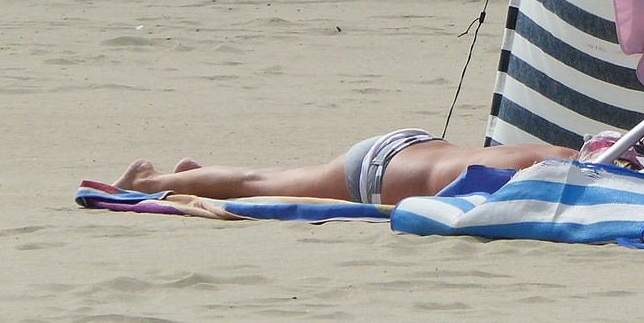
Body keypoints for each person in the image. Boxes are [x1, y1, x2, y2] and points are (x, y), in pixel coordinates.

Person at [113, 129, 576, 206]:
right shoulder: (574, 177)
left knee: (260, 180)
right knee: (257, 185)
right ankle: (147, 179)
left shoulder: (578, 154)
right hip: (378, 176)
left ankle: (195, 174)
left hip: (413, 149)